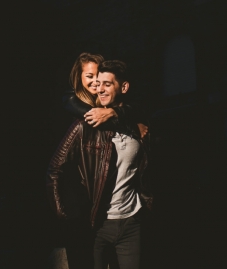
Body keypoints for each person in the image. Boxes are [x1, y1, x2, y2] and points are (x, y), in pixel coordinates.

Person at [47, 60, 152, 269]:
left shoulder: (136, 125)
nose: (99, 88)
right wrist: (64, 214)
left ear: (123, 88)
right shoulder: (85, 124)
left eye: (106, 84)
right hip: (96, 224)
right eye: (96, 82)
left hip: (131, 223)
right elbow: (54, 169)